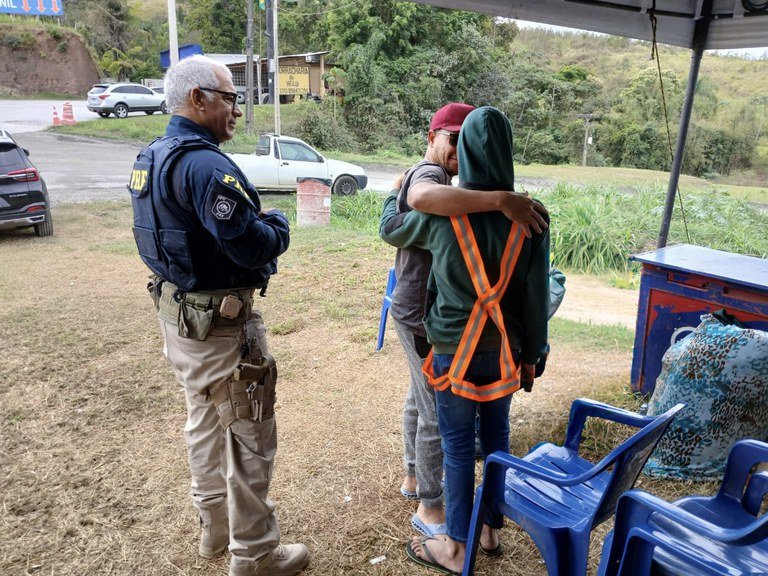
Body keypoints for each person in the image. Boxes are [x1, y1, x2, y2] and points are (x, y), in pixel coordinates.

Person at [128, 55, 308, 576]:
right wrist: (277, 225)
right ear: (197, 99)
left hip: (181, 323)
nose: (235, 107)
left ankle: (216, 528)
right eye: (228, 97)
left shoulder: (152, 156)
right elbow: (252, 243)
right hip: (221, 330)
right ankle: (254, 555)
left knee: (204, 424)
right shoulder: (205, 165)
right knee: (250, 437)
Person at [380, 106, 550, 574]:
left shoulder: (442, 214)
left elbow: (390, 229)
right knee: (496, 438)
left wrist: (394, 192)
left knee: (457, 448)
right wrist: (535, 354)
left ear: (469, 152)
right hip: (506, 353)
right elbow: (536, 298)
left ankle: (455, 547)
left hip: (454, 348)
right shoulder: (532, 216)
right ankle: (491, 531)